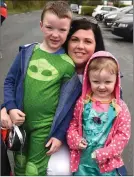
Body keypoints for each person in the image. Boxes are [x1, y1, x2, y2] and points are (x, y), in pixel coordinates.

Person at [1, 17, 105, 175]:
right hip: (52, 132)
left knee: (58, 169)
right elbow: (22, 87)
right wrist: (6, 108)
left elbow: (112, 116)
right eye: (75, 39)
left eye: (88, 42)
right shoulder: (49, 61)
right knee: (28, 164)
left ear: (96, 45)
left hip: (84, 141)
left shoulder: (104, 78)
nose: (80, 46)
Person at [1, 1, 74, 176]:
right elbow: (10, 81)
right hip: (20, 124)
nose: (55, 34)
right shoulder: (27, 52)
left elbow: (68, 106)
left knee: (34, 170)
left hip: (45, 128)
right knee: (19, 164)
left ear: (68, 30)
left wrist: (59, 134)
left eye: (62, 30)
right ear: (41, 25)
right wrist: (10, 108)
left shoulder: (68, 65)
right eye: (50, 27)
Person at [67, 51, 131, 176]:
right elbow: (74, 123)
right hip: (82, 163)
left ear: (116, 81)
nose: (102, 87)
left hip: (107, 165)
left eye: (108, 82)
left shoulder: (120, 108)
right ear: (88, 80)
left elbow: (122, 136)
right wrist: (75, 140)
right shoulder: (83, 102)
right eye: (96, 81)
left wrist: (106, 152)